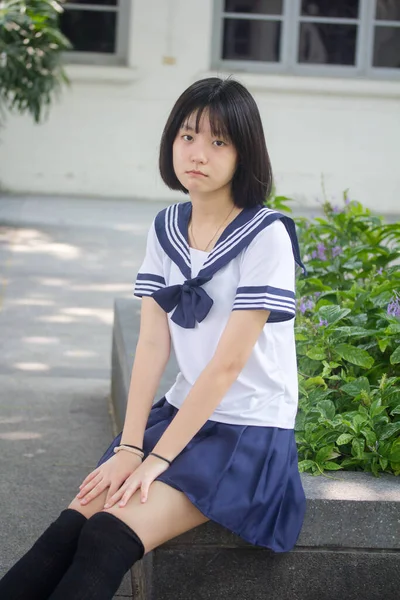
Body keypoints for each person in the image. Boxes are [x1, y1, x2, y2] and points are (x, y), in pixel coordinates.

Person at [0, 76, 307, 600]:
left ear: (245, 152)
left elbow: (227, 366)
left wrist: (155, 459)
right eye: (187, 136)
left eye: (218, 141)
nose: (198, 154)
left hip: (247, 432)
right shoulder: (167, 226)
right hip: (183, 412)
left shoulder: (266, 235)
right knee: (65, 530)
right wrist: (128, 446)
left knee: (106, 535)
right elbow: (150, 345)